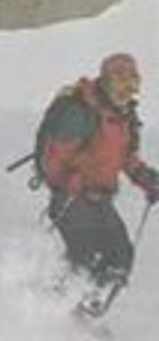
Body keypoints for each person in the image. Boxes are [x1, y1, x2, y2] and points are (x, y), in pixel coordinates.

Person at [42, 53, 159, 290]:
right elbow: (53, 158)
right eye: (119, 82)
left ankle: (84, 314)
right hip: (72, 199)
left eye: (132, 83)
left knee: (120, 259)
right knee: (86, 259)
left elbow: (126, 158)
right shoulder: (81, 112)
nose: (126, 90)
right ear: (105, 81)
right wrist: (68, 183)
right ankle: (54, 307)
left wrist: (147, 179)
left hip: (101, 200)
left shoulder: (126, 117)